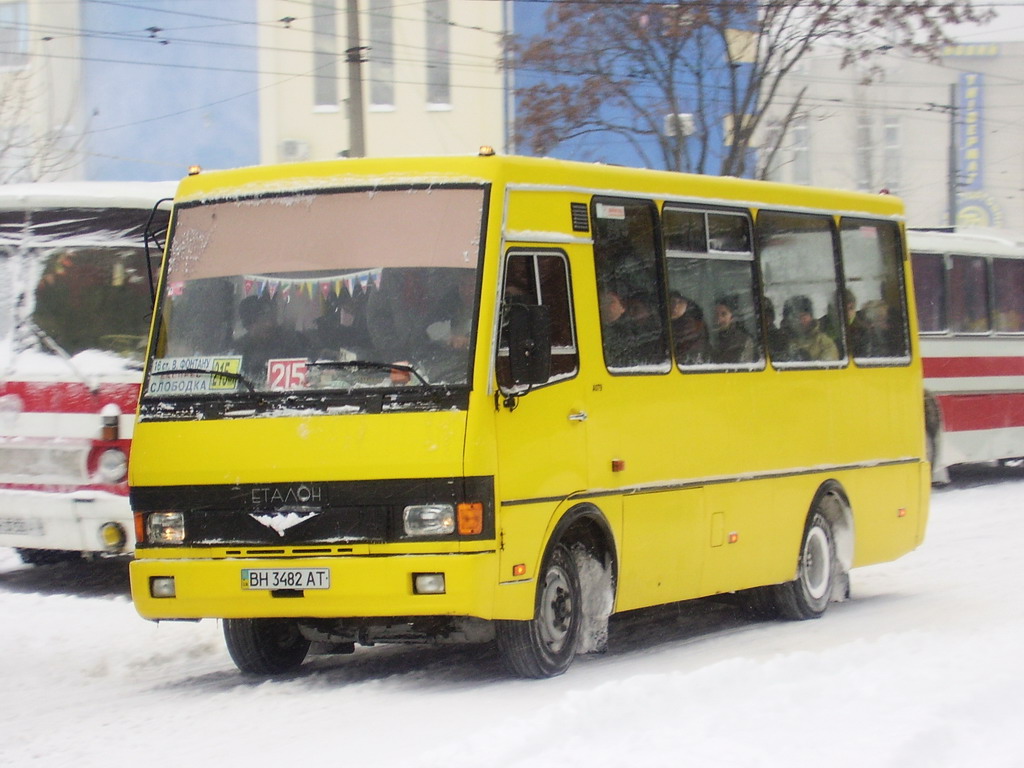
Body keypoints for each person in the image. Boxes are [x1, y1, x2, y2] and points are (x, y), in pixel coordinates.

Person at [235, 295, 311, 381]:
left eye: (271, 318)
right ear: (248, 325)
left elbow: (309, 369)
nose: (269, 324)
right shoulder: (238, 350)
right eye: (262, 320)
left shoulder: (291, 341)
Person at [781, 295, 839, 362]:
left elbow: (828, 367)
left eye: (804, 316)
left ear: (811, 317)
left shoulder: (824, 343)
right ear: (787, 320)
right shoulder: (780, 341)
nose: (800, 320)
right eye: (795, 317)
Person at [669, 291, 711, 364]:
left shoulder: (693, 325)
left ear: (687, 305)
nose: (675, 306)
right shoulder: (664, 324)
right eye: (672, 302)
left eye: (680, 302)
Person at [712, 294, 755, 364]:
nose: (719, 319)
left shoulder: (744, 341)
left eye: (724, 314)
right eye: (717, 314)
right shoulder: (713, 340)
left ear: (732, 317)